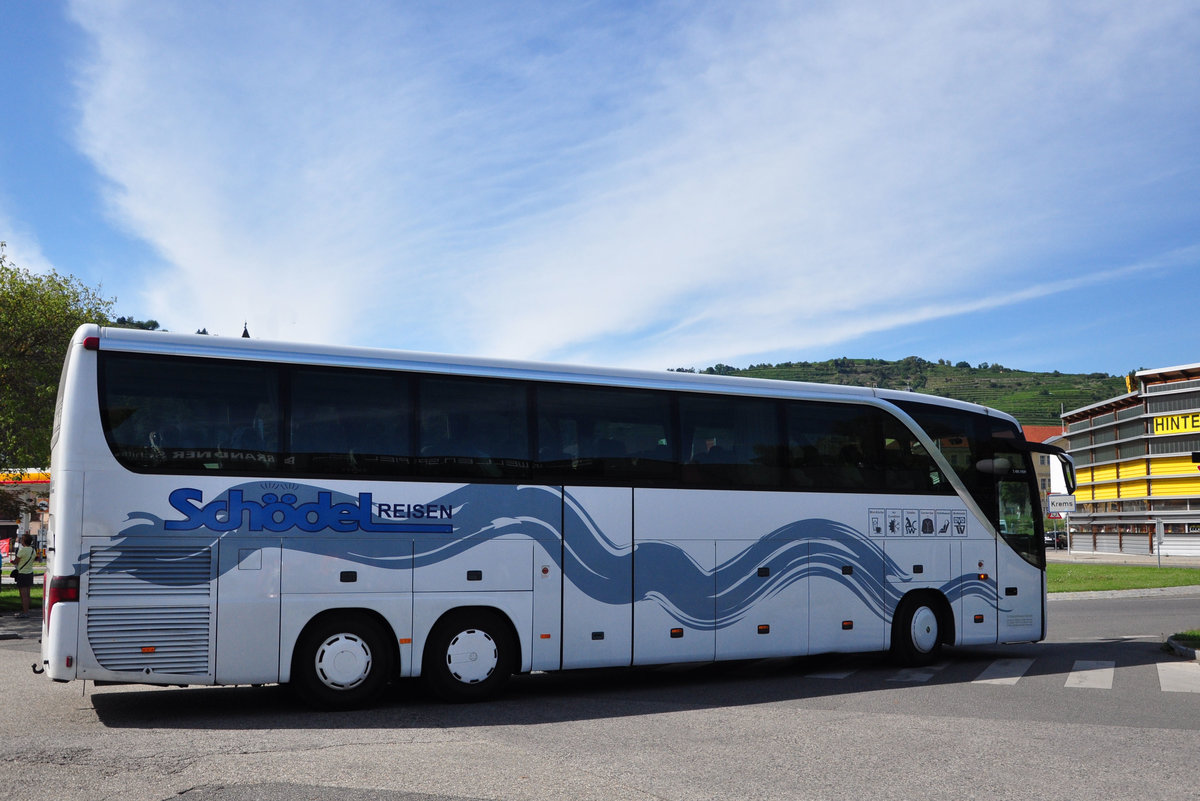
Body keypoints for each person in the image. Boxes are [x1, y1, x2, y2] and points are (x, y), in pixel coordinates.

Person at [10, 533, 35, 618]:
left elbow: (16, 561)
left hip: (22, 573)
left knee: (23, 595)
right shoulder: (33, 550)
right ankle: (26, 611)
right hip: (30, 573)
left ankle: (25, 613)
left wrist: (12, 562)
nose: (21, 540)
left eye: (22, 539)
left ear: (24, 541)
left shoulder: (22, 550)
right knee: (27, 594)